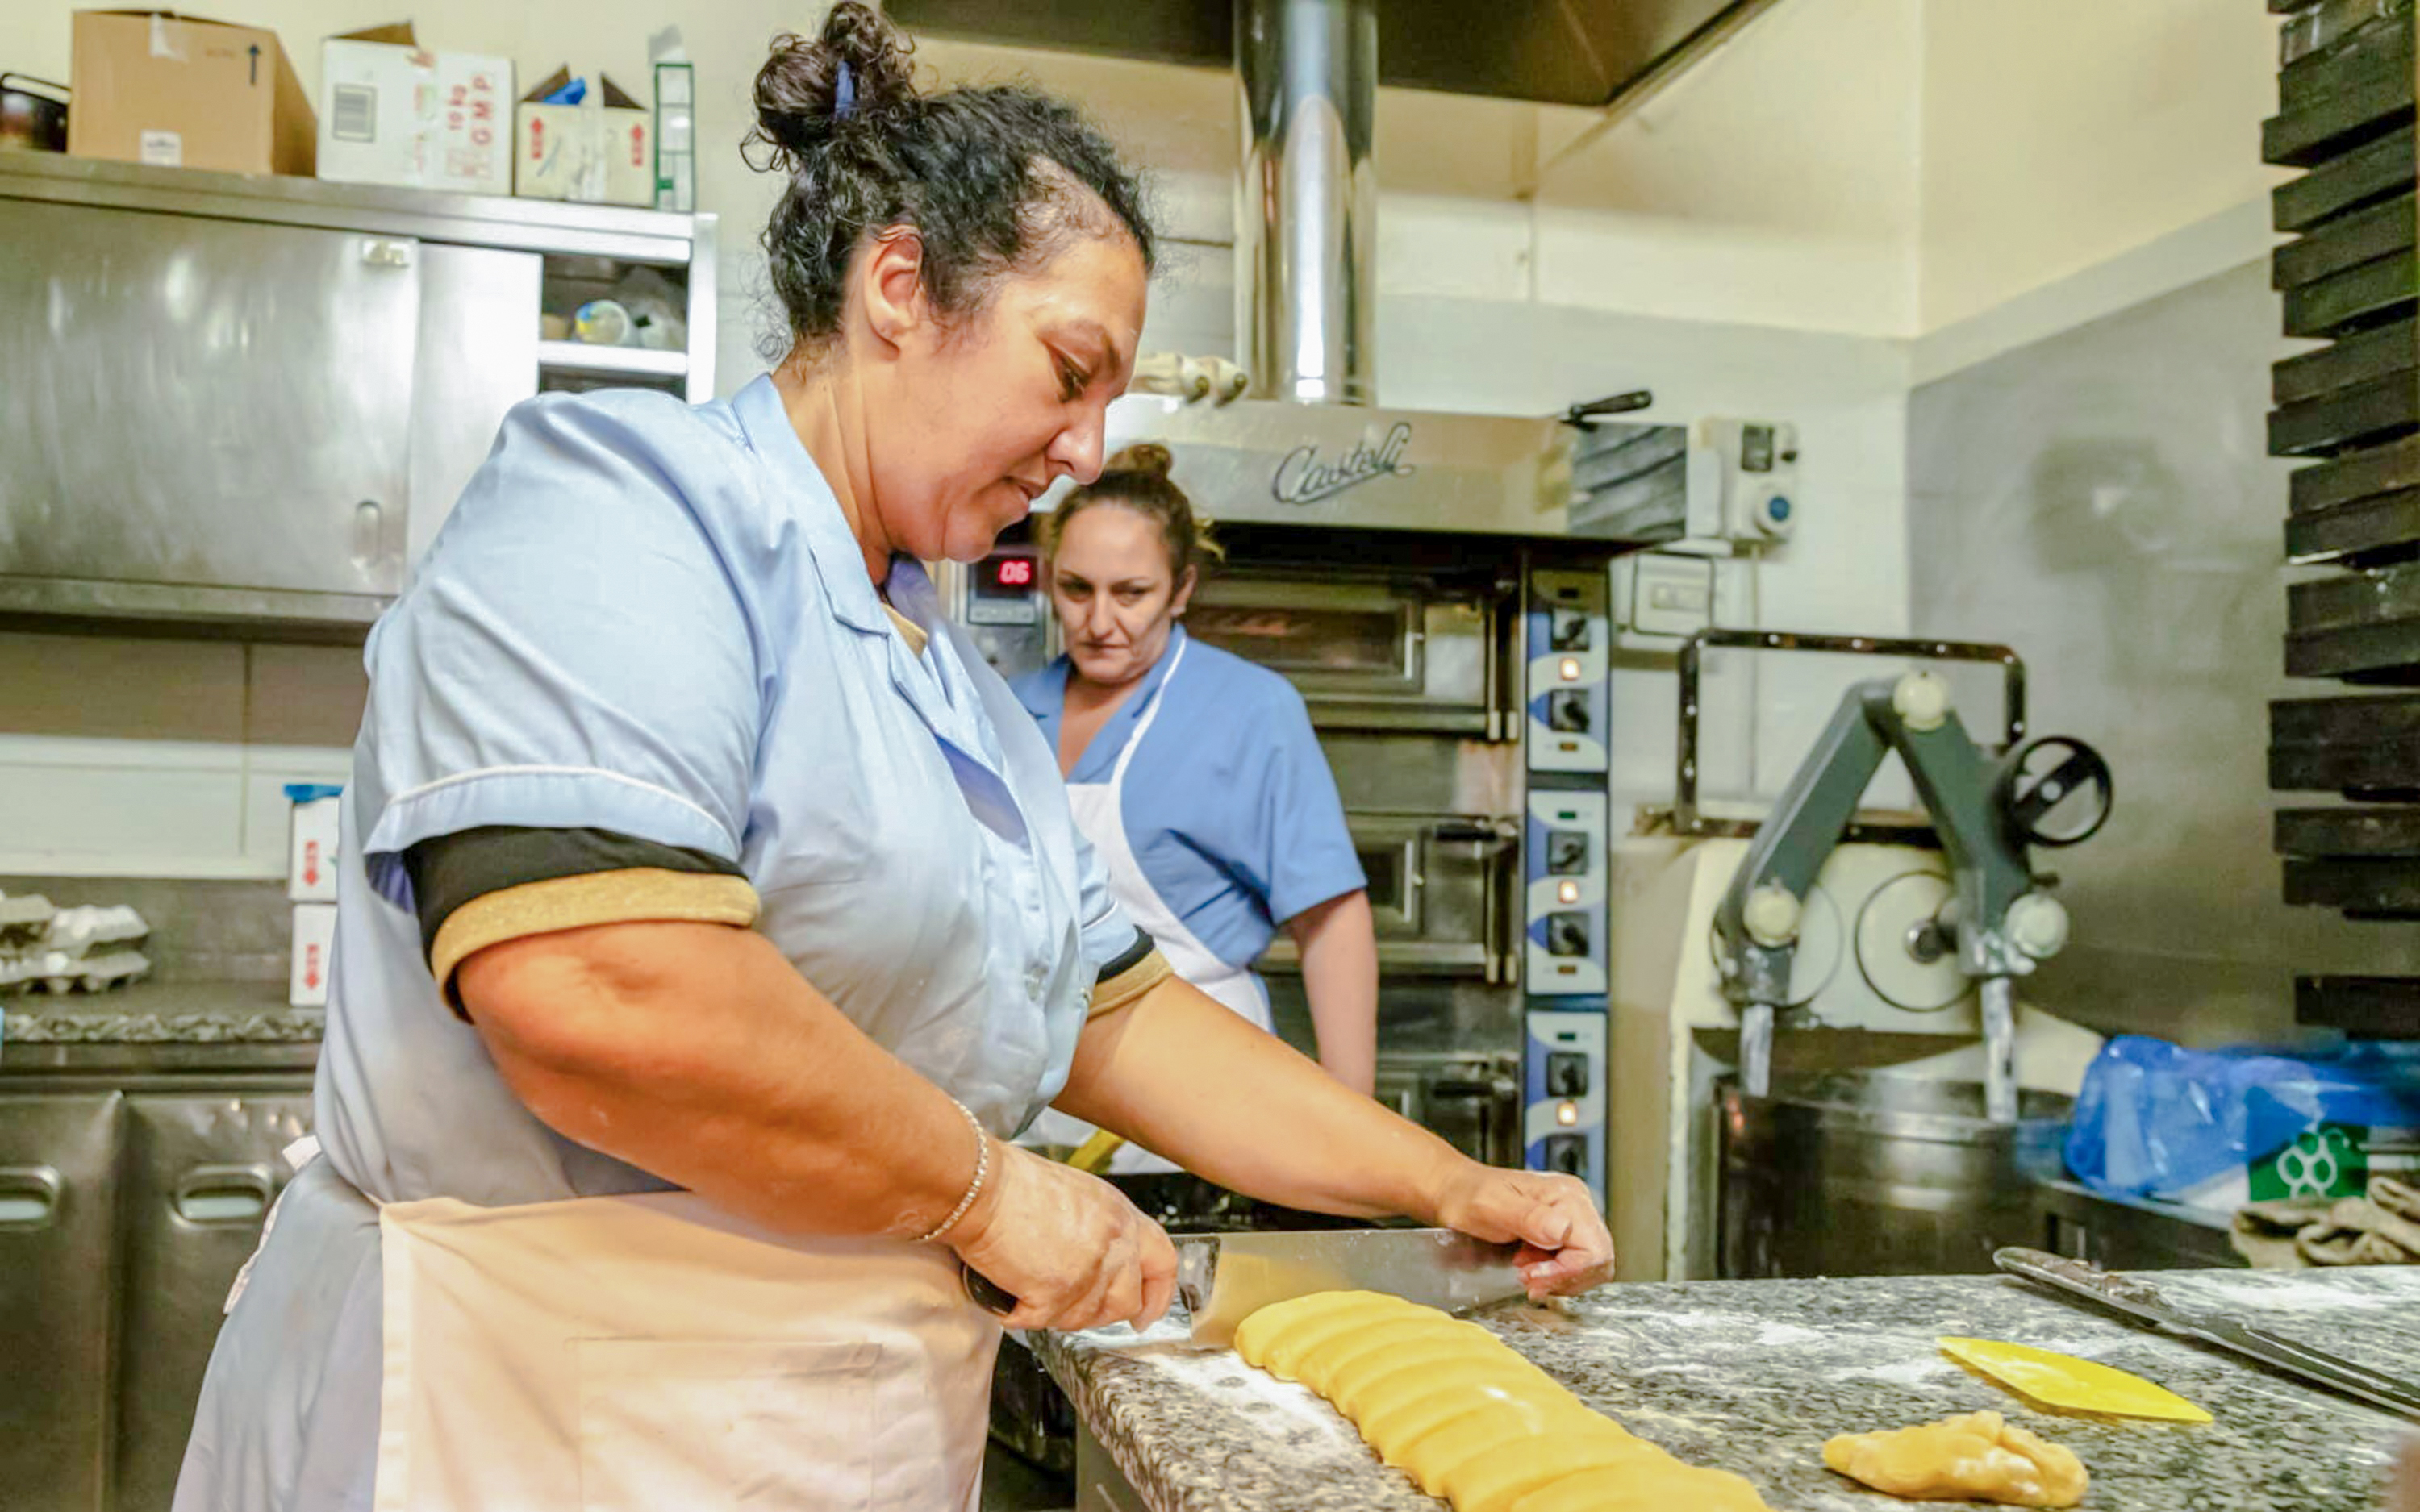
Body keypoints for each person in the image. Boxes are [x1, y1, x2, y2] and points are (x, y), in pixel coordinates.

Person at [173, 10, 1613, 1510]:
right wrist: (987, 1191)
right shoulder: (627, 512)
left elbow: (1113, 1019)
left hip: (806, 1436)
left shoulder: (955, 684)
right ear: (901, 288)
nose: (1086, 446)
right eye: (1070, 372)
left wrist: (1439, 1182)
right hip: (524, 1423)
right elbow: (598, 984)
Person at [1014, 446, 1379, 1175]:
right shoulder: (1012, 706)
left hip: (1200, 1099)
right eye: (1076, 589)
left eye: (1132, 592)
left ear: (1181, 589)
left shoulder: (1250, 709)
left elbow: (1332, 921)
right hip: (1037, 1106)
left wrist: (1355, 1139)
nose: (1099, 620)